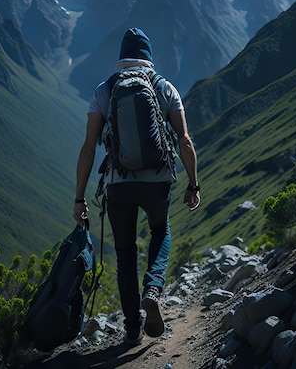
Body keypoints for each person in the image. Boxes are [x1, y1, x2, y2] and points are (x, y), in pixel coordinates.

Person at [72, 27, 200, 345]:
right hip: (158, 183)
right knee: (160, 230)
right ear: (148, 57)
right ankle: (153, 288)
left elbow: (89, 147)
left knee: (125, 253)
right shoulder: (165, 87)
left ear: (122, 57)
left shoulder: (104, 90)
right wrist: (193, 184)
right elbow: (184, 140)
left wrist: (79, 197)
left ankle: (131, 327)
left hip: (119, 185)